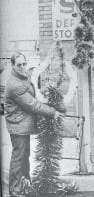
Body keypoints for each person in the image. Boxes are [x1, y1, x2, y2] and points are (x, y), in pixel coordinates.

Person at [4, 52, 65, 197]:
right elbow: (32, 105)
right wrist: (52, 112)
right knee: (19, 157)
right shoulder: (14, 84)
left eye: (24, 64)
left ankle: (24, 184)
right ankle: (15, 189)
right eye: (19, 65)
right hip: (18, 125)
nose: (22, 67)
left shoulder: (21, 77)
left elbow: (33, 98)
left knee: (24, 155)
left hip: (22, 123)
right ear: (13, 65)